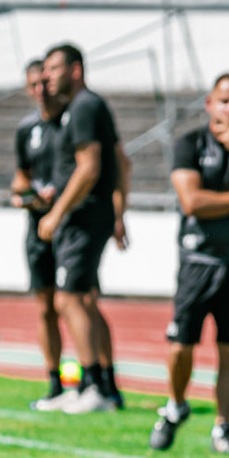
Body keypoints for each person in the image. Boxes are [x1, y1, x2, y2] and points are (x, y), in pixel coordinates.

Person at [150, 72, 229, 454]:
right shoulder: (189, 143)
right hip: (196, 259)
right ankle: (175, 404)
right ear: (209, 104)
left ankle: (223, 426)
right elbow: (192, 202)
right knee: (181, 345)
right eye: (224, 101)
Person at [38, 44, 130, 413]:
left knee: (69, 299)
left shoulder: (84, 106)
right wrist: (119, 212)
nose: (47, 76)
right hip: (90, 216)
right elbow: (123, 161)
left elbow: (89, 168)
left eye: (54, 68)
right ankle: (106, 386)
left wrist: (56, 214)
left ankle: (92, 387)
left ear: (75, 70)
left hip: (82, 218)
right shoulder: (81, 108)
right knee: (86, 300)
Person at [11, 59, 71, 410]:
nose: (41, 90)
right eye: (34, 84)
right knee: (46, 307)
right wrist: (28, 193)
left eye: (45, 83)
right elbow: (19, 177)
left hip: (72, 227)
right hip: (38, 228)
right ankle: (54, 380)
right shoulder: (26, 129)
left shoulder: (72, 123)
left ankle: (97, 378)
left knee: (78, 301)